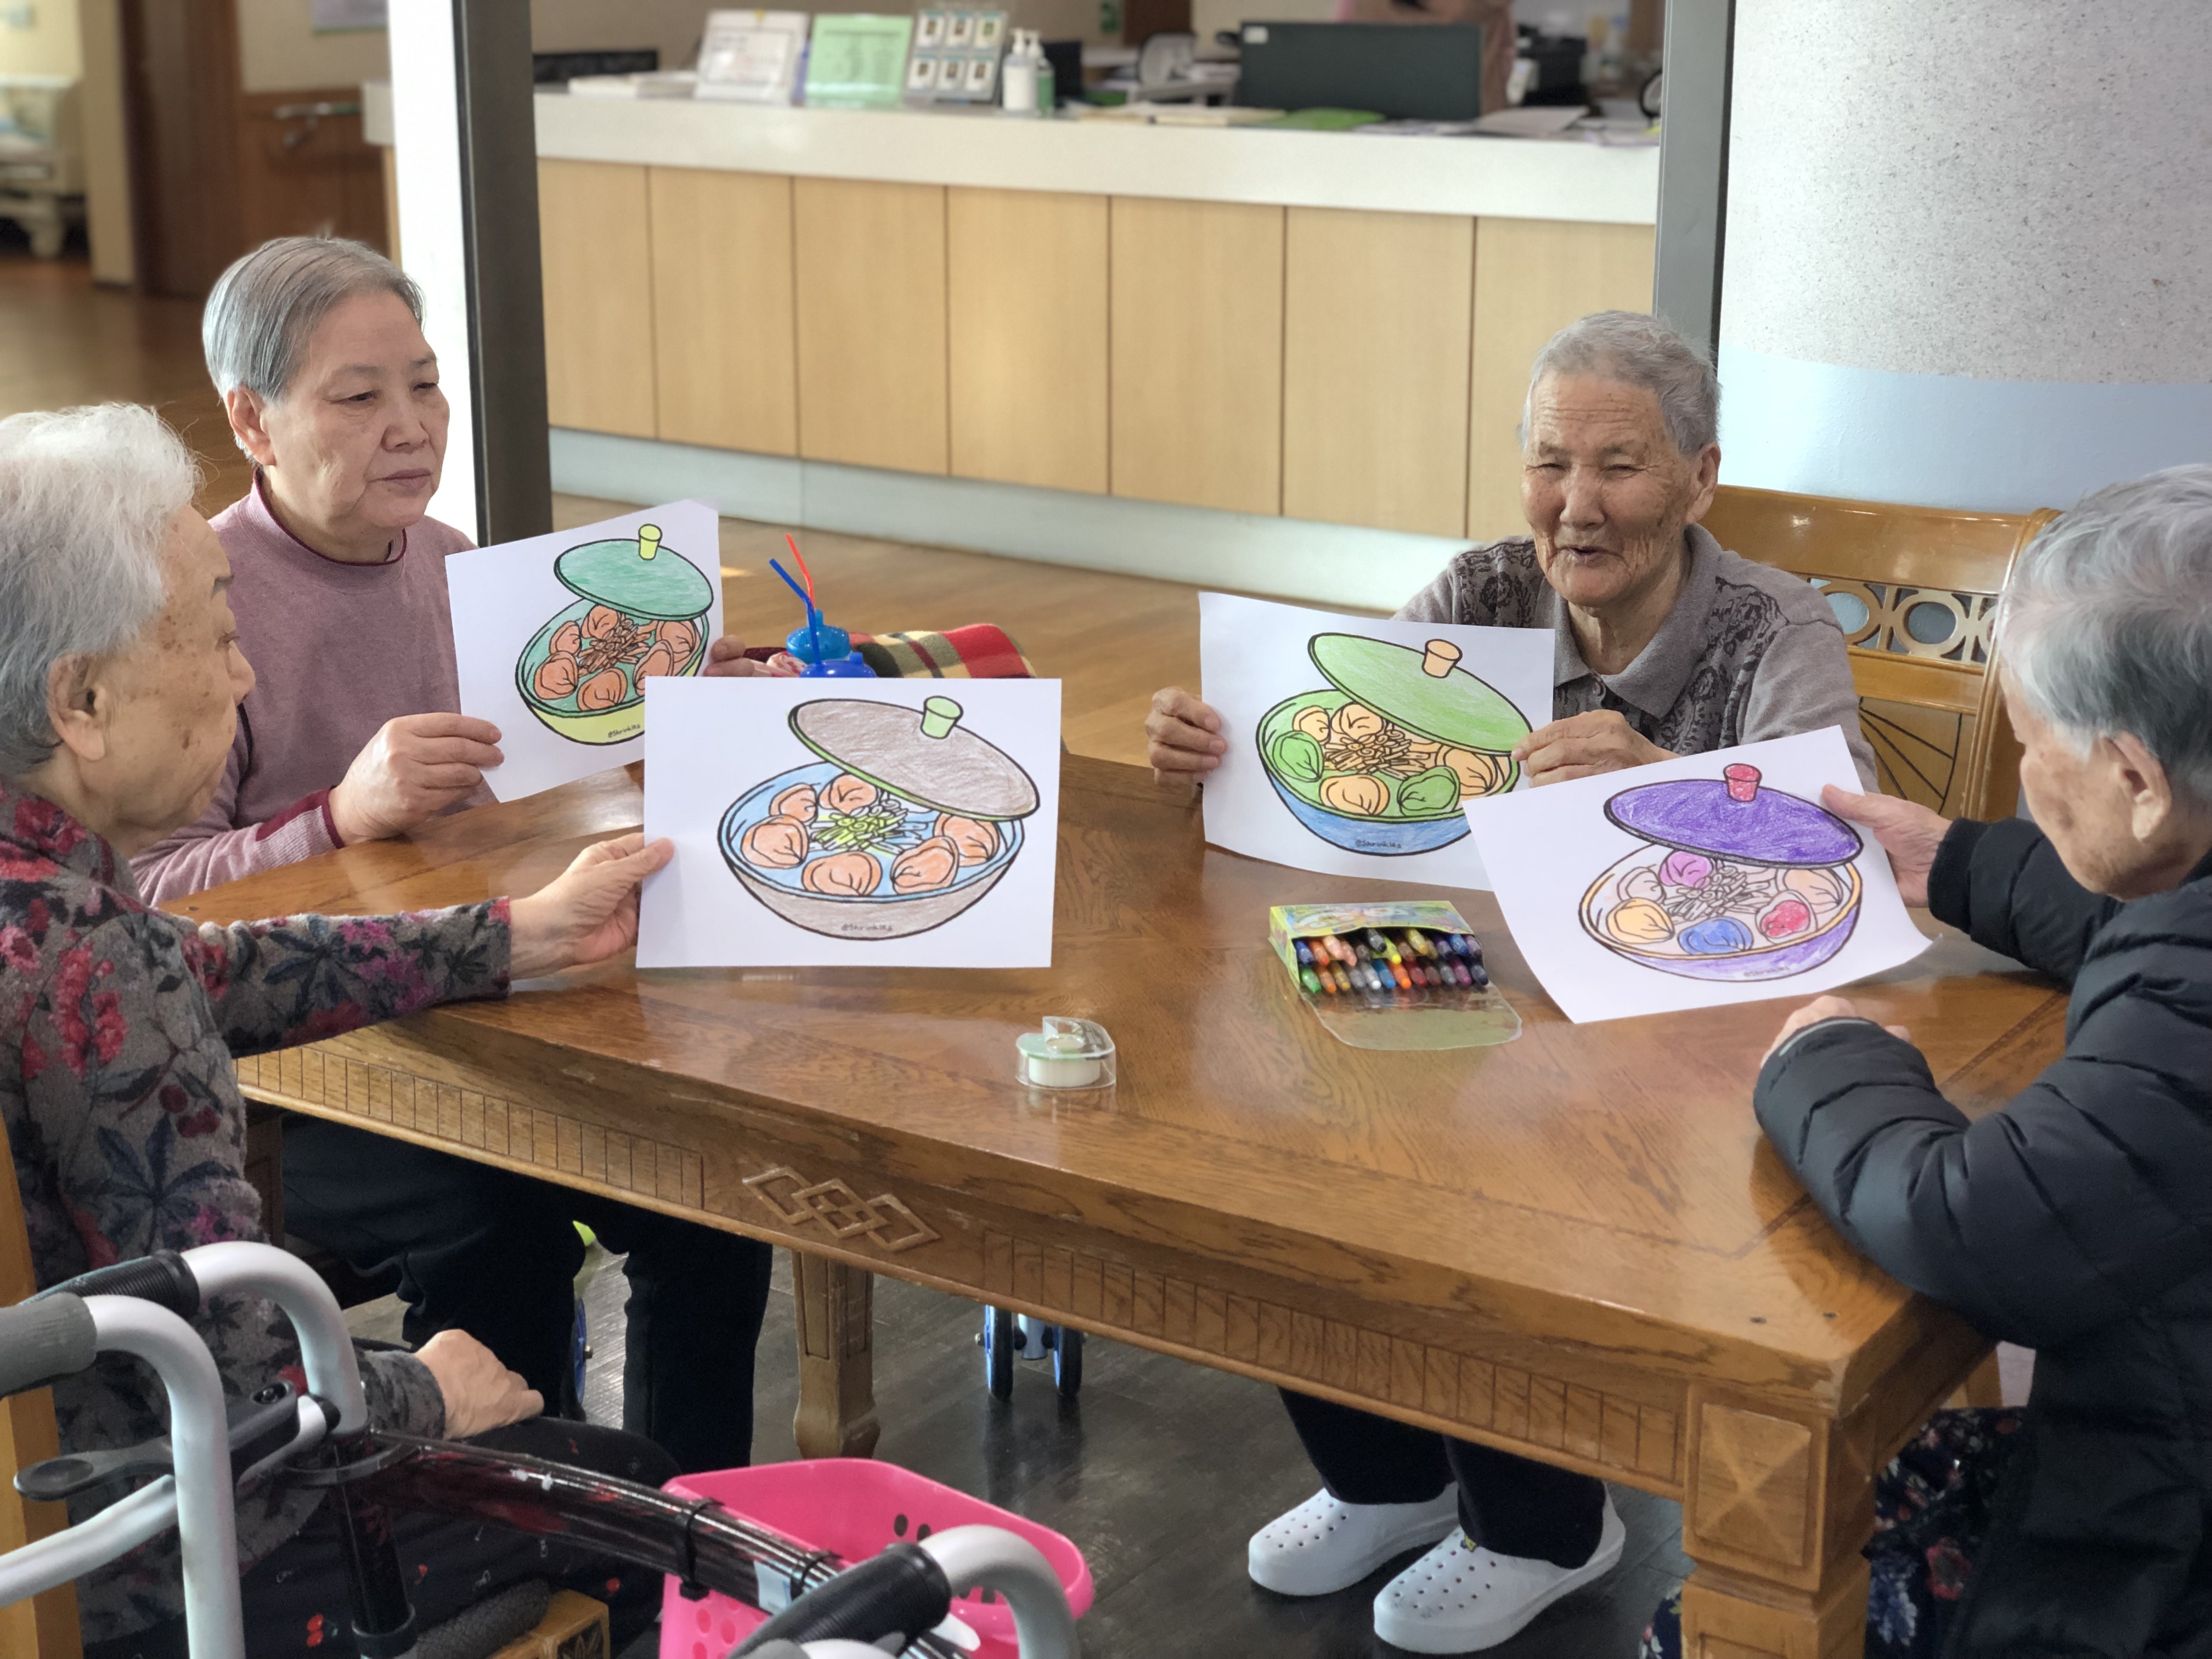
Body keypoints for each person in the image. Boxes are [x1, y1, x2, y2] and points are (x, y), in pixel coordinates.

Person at [1147, 311, 1877, 1654]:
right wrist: (1212, 751)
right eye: (1551, 463)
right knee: (1290, 1105)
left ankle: (1544, 1521)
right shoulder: (1478, 594)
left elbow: (1844, 840)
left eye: (1620, 467)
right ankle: (1387, 1477)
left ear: (1700, 479)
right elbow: (1346, 765)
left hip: (1688, 1030)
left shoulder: (1775, 626)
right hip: (1477, 985)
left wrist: (1660, 785)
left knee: (1510, 1157)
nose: (1576, 505)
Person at [0, 400, 680, 1657]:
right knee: (647, 1503)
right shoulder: (92, 958)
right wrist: (430, 1388)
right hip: (149, 1562)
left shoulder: (50, 919)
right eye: (216, 635)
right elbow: (241, 1390)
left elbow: (211, 966)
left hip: (32, 1517)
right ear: (80, 701)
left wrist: (517, 935)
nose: (243, 674)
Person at [129, 236, 771, 1475]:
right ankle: (516, 1534)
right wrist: (339, 812)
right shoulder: (200, 604)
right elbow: (149, 895)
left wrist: (679, 707)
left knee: (712, 1199)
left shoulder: (451, 560)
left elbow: (535, 787)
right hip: (312, 1066)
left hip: (482, 999)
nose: (411, 426)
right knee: (498, 1219)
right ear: (252, 421)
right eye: (358, 396)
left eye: (424, 385)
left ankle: (687, 1536)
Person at [1646, 465, 2212, 1657]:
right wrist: (1951, 861)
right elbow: (2157, 916)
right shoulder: (2187, 888)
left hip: (2162, 1549)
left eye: (2033, 745)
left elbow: (1979, 1224)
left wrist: (1828, 1055)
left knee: (1707, 1610)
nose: (2025, 774)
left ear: (2138, 781)